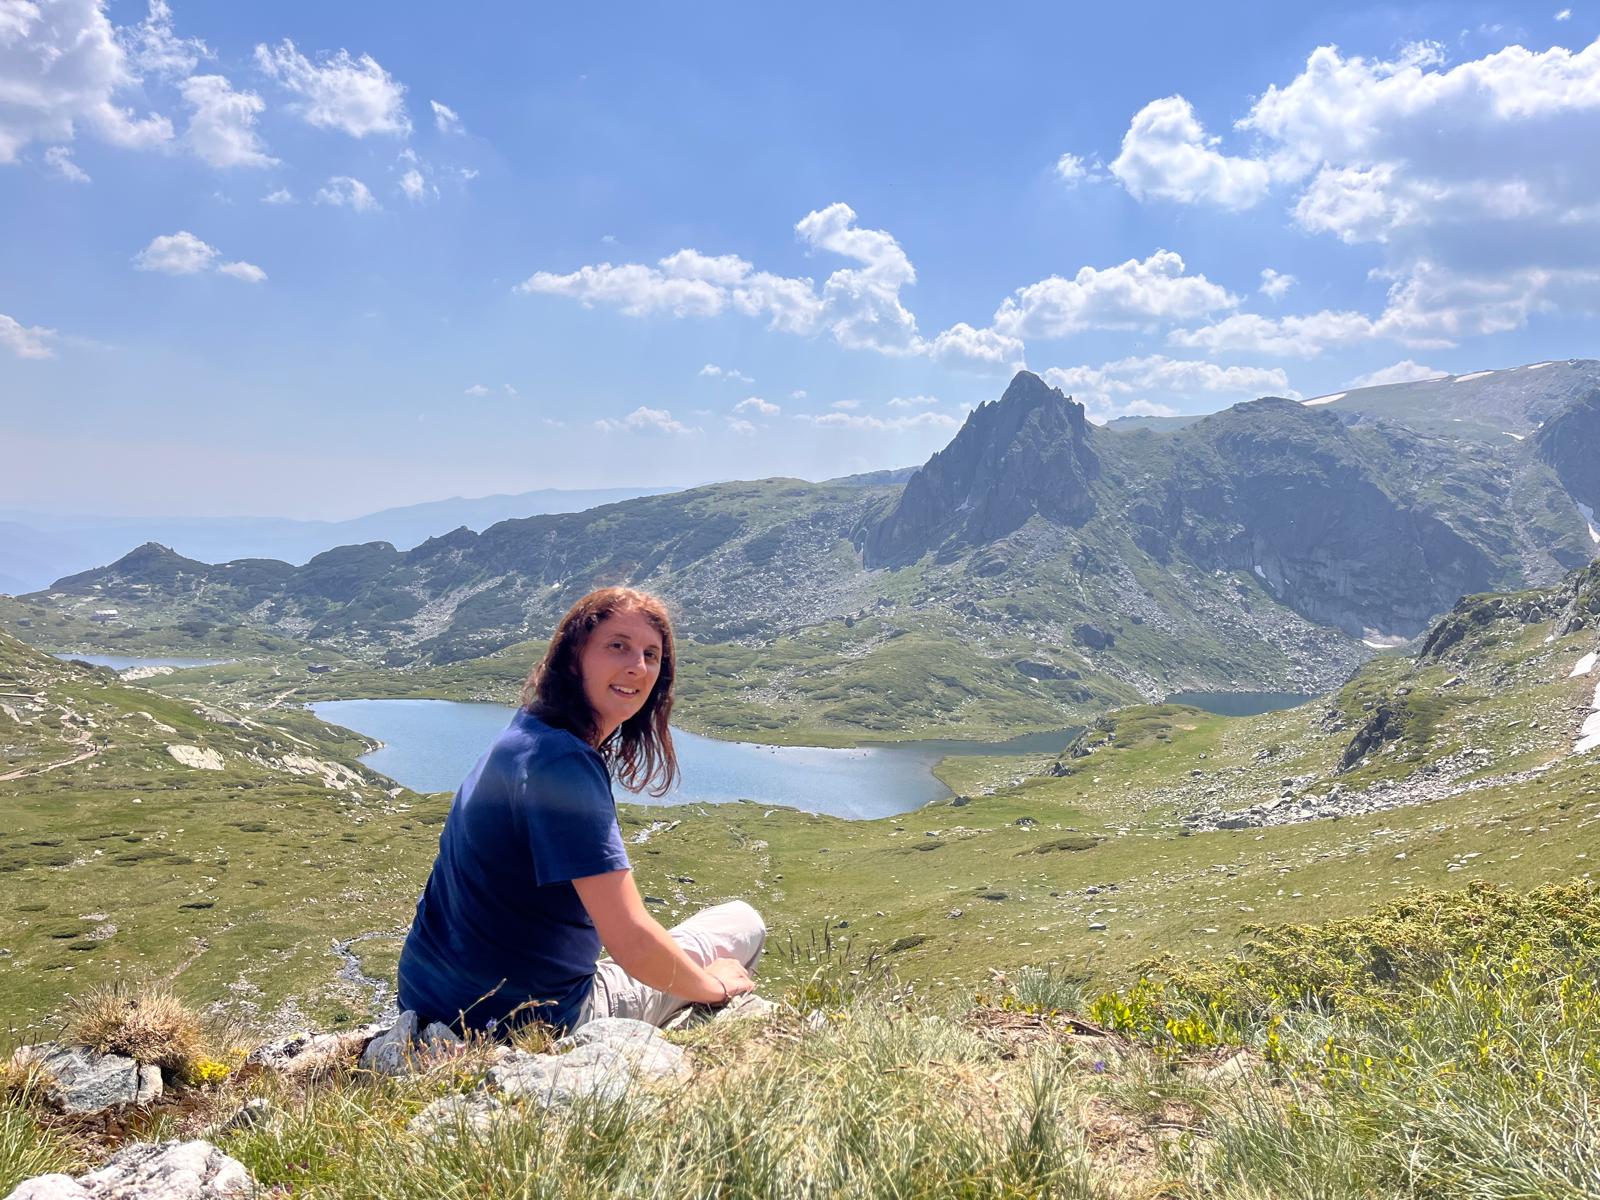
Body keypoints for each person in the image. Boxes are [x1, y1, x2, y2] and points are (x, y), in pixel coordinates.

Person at [396, 586, 764, 1035]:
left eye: (652, 655)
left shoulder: (528, 731)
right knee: (743, 922)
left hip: (426, 1000)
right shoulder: (564, 763)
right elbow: (630, 940)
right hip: (531, 1020)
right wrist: (714, 986)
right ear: (574, 657)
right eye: (617, 646)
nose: (638, 667)